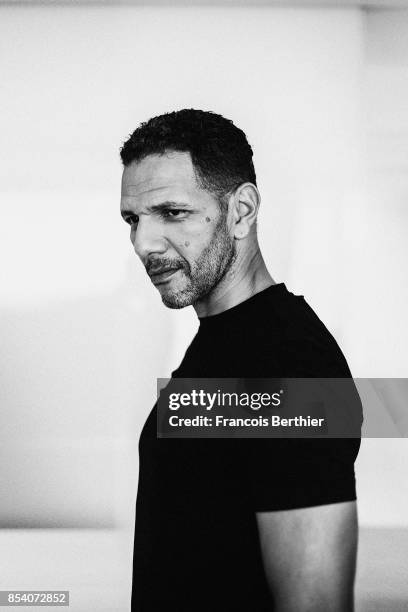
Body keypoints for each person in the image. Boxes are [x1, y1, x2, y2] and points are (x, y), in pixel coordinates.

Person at [119, 109, 362, 611]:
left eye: (172, 212)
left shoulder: (294, 364)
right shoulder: (223, 340)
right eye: (133, 219)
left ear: (242, 210)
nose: (143, 243)